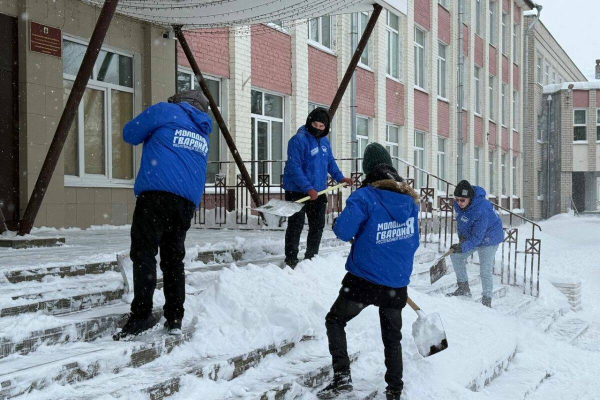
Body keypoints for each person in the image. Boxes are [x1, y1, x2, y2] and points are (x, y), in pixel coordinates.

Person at [318, 143, 420, 400]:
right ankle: (395, 390)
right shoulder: (409, 201)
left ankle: (342, 378)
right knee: (392, 338)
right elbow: (414, 241)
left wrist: (339, 222)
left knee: (335, 320)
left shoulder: (364, 197)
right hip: (395, 282)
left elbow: (343, 231)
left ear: (367, 169)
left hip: (364, 280)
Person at [113, 90, 213, 340]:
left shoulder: (166, 111)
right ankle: (175, 317)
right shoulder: (202, 129)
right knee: (173, 259)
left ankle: (142, 315)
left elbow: (130, 133)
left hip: (157, 194)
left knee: (144, 252)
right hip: (185, 202)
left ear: (179, 101)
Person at [282, 107, 352, 268]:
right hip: (297, 191)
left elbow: (330, 162)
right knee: (296, 225)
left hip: (318, 190)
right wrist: (308, 188)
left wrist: (340, 177)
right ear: (309, 122)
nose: (318, 129)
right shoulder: (298, 140)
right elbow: (294, 167)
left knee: (317, 225)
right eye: (315, 124)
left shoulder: (325, 141)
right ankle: (291, 260)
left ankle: (311, 258)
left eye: (322, 126)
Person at [446, 180, 504, 308]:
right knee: (455, 256)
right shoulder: (459, 205)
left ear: (470, 198)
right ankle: (463, 287)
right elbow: (462, 222)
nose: (459, 202)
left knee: (485, 270)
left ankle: (487, 299)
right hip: (475, 236)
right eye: (457, 199)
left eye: (462, 200)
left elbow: (478, 237)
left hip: (490, 238)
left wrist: (464, 246)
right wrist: (461, 239)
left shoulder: (481, 209)